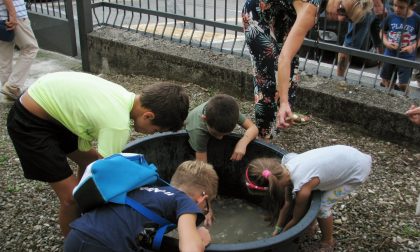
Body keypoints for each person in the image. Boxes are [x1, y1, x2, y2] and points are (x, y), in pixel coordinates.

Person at [6, 71, 190, 236]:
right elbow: (105, 172)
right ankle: (74, 243)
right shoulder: (117, 124)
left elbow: (95, 166)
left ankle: (83, 211)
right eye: (155, 130)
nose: (152, 134)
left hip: (54, 110)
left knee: (89, 162)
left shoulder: (124, 97)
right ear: (148, 116)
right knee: (71, 199)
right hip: (31, 123)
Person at [242, 0, 374, 133]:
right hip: (258, 11)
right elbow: (284, 58)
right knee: (269, 76)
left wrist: (285, 100)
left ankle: (278, 121)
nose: (340, 18)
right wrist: (283, 102)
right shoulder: (310, 9)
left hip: (283, 15)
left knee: (290, 80)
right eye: (341, 10)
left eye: (347, 19)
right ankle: (264, 135)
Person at [64, 160, 219, 252]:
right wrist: (200, 240)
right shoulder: (184, 201)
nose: (204, 211)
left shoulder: (148, 191)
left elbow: (139, 233)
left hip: (76, 236)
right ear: (201, 198)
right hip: (105, 246)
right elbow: (190, 249)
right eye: (206, 206)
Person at [246, 145, 372, 250]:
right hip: (346, 154)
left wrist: (280, 238)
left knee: (322, 206)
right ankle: (311, 225)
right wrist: (277, 229)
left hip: (356, 170)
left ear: (275, 185)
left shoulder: (303, 189)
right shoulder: (285, 168)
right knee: (312, 190)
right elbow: (287, 204)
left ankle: (328, 241)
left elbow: (296, 219)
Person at [185, 94, 259, 163]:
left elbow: (253, 128)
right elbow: (202, 165)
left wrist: (243, 142)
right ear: (205, 119)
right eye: (216, 133)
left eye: (225, 134)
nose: (220, 138)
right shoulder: (198, 131)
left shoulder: (229, 110)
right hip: (189, 141)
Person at [0, 0, 39, 101]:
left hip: (2, 16)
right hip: (14, 16)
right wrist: (13, 15)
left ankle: (7, 87)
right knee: (30, 48)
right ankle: (12, 86)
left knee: (5, 54)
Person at [379, 0, 420, 91]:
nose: (397, 9)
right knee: (387, 81)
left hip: (407, 57)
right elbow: (382, 32)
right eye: (395, 5)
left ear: (411, 6)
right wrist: (387, 43)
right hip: (390, 54)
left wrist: (412, 47)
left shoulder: (416, 19)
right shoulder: (391, 16)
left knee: (403, 85)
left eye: (401, 7)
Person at [337, 0, 385, 77]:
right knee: (348, 47)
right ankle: (339, 80)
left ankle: (385, 79)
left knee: (379, 39)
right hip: (365, 4)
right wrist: (378, 4)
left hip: (372, 4)